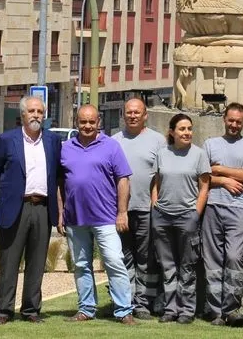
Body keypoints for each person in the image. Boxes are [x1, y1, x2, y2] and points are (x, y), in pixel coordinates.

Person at [58, 104, 136, 325]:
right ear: (76, 123)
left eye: (92, 122)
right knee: (81, 265)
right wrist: (61, 212)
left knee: (114, 261)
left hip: (106, 218)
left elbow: (123, 180)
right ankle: (86, 309)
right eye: (83, 122)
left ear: (98, 122)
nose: (87, 126)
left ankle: (123, 310)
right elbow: (60, 183)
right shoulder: (66, 148)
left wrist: (122, 212)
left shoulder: (111, 146)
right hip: (75, 218)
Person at [0, 96, 62, 324]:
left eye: (39, 111)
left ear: (45, 114)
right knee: (9, 260)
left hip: (42, 208)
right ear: (22, 115)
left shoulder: (52, 141)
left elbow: (58, 174)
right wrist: (9, 197)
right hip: (15, 207)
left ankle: (31, 309)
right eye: (31, 111)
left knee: (37, 261)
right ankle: (3, 310)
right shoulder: (5, 140)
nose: (35, 115)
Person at [202, 102, 243, 327]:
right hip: (212, 207)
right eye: (230, 120)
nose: (234, 125)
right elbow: (203, 177)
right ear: (224, 119)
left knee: (235, 257)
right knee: (213, 260)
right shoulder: (210, 144)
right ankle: (215, 311)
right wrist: (223, 180)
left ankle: (233, 308)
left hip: (239, 210)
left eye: (238, 121)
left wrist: (219, 169)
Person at [150, 113, 210, 324]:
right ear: (172, 132)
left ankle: (186, 310)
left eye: (189, 129)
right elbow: (156, 182)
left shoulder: (199, 155)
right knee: (167, 266)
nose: (187, 133)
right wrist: (155, 205)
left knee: (187, 265)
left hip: (187, 217)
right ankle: (170, 308)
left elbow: (204, 187)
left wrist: (196, 213)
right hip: (162, 217)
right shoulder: (162, 153)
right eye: (182, 129)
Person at [112, 97, 167, 319]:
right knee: (124, 257)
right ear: (123, 115)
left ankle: (143, 302)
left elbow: (161, 177)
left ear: (145, 115)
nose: (133, 116)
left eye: (137, 112)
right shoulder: (114, 141)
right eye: (129, 112)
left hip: (146, 209)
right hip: (120, 211)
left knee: (145, 258)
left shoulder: (158, 141)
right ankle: (126, 301)